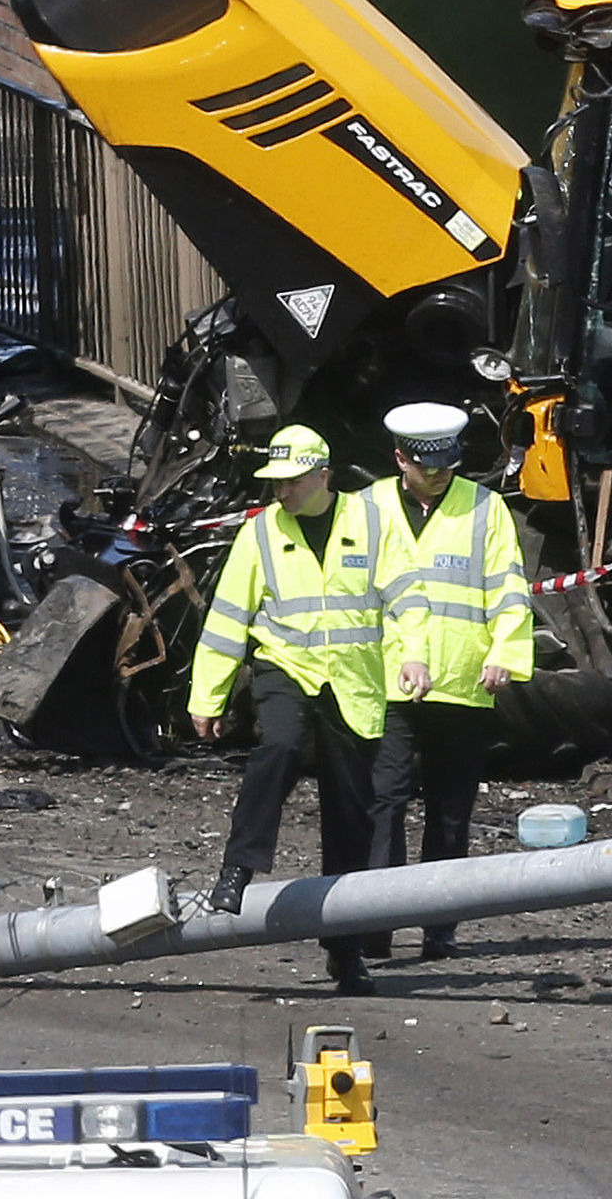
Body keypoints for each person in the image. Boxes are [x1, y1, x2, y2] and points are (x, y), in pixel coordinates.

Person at [189, 423, 387, 996]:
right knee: (276, 746)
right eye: (275, 482)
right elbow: (227, 621)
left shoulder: (370, 523)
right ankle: (238, 869)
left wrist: (412, 667)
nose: (282, 492)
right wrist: (208, 697)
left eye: (292, 481)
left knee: (350, 817)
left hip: (352, 681)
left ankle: (344, 951)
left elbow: (404, 602)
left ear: (323, 476)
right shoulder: (260, 534)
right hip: (286, 666)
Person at [369, 402, 532, 962]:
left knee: (449, 813)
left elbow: (510, 588)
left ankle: (439, 929)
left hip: (464, 684)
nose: (440, 474)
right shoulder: (366, 509)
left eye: (447, 464)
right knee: (382, 806)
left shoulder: (485, 509)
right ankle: (375, 925)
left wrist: (506, 651)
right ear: (400, 459)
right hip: (386, 684)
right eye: (427, 465)